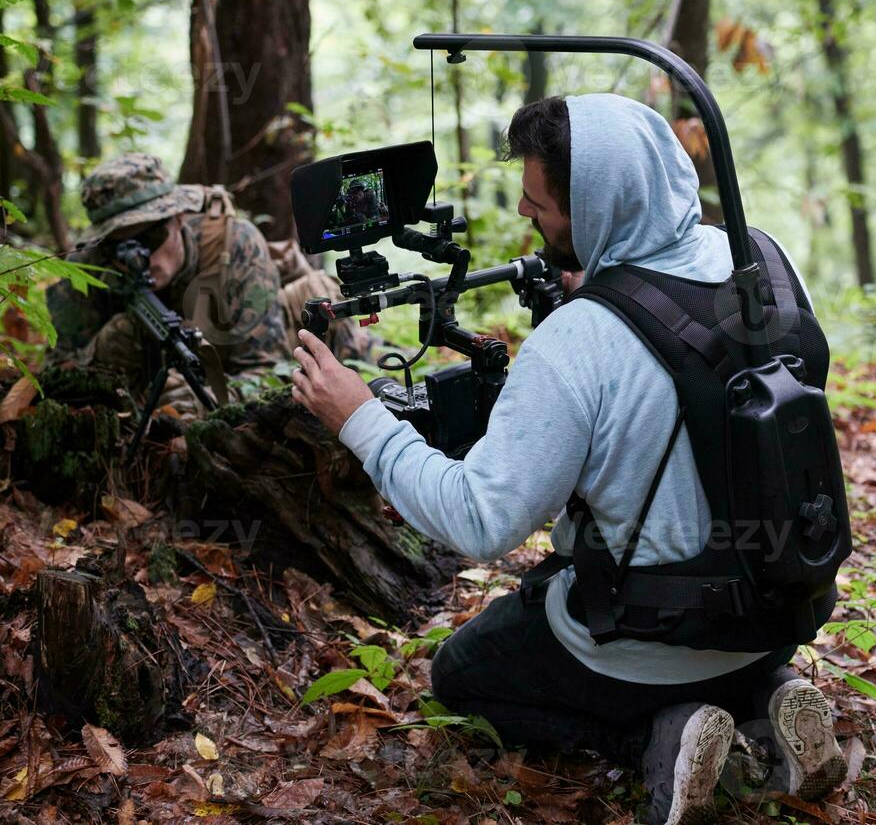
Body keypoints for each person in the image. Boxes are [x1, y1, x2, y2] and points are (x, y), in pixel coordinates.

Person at [287, 95, 846, 824]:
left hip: (647, 635)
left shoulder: (581, 340)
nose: (525, 211)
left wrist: (359, 418)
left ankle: (664, 731)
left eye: (541, 201)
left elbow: (482, 520)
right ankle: (767, 699)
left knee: (462, 674)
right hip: (784, 605)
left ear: (597, 207)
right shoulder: (765, 261)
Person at [47, 153, 369, 415]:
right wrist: (108, 350)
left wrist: (208, 401)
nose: (141, 259)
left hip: (235, 356)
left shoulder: (235, 247)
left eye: (150, 237)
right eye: (119, 247)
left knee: (320, 299)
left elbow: (272, 371)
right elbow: (57, 378)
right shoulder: (85, 273)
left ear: (178, 218)